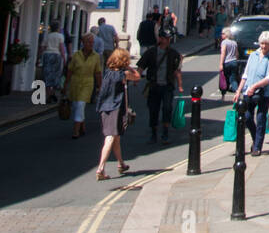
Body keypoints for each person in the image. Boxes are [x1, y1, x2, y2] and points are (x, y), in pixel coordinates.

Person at [95, 48, 140, 180]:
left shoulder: (107, 73)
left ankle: (121, 164)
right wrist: (130, 67)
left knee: (116, 137)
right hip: (116, 108)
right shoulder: (123, 75)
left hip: (105, 108)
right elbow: (137, 76)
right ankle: (101, 169)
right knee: (110, 137)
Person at [137, 32, 184, 143]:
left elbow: (177, 71)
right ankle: (153, 133)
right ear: (160, 39)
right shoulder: (151, 52)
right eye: (165, 38)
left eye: (169, 38)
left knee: (167, 109)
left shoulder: (174, 53)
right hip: (154, 85)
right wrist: (136, 77)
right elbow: (141, 66)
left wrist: (180, 85)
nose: (168, 40)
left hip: (167, 86)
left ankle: (165, 133)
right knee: (153, 110)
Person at [235, 31, 269, 155]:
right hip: (248, 91)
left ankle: (257, 147)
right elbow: (245, 74)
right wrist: (238, 91)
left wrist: (256, 86)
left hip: (263, 93)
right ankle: (255, 138)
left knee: (261, 118)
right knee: (246, 117)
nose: (263, 46)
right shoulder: (253, 55)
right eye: (262, 43)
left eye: (266, 44)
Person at [66, 33, 102, 138]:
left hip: (88, 83)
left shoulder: (96, 56)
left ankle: (75, 131)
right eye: (88, 42)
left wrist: (100, 86)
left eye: (92, 42)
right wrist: (65, 85)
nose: (91, 44)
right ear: (83, 43)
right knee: (76, 106)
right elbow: (70, 70)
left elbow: (98, 72)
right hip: (75, 83)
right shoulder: (76, 55)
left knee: (81, 105)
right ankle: (82, 125)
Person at [40, 22, 67, 101]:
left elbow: (42, 47)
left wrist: (39, 57)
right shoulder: (60, 36)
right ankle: (53, 93)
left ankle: (48, 94)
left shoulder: (47, 36)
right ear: (58, 28)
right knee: (56, 74)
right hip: (56, 55)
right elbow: (61, 48)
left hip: (47, 55)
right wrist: (64, 58)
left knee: (47, 74)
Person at [219, 28, 240, 99]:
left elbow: (223, 53)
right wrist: (235, 61)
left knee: (224, 79)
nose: (221, 35)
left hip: (227, 62)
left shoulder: (224, 42)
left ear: (226, 34)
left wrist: (221, 64)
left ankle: (223, 96)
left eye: (223, 34)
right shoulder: (234, 42)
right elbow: (237, 54)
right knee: (233, 79)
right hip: (234, 62)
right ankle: (237, 92)